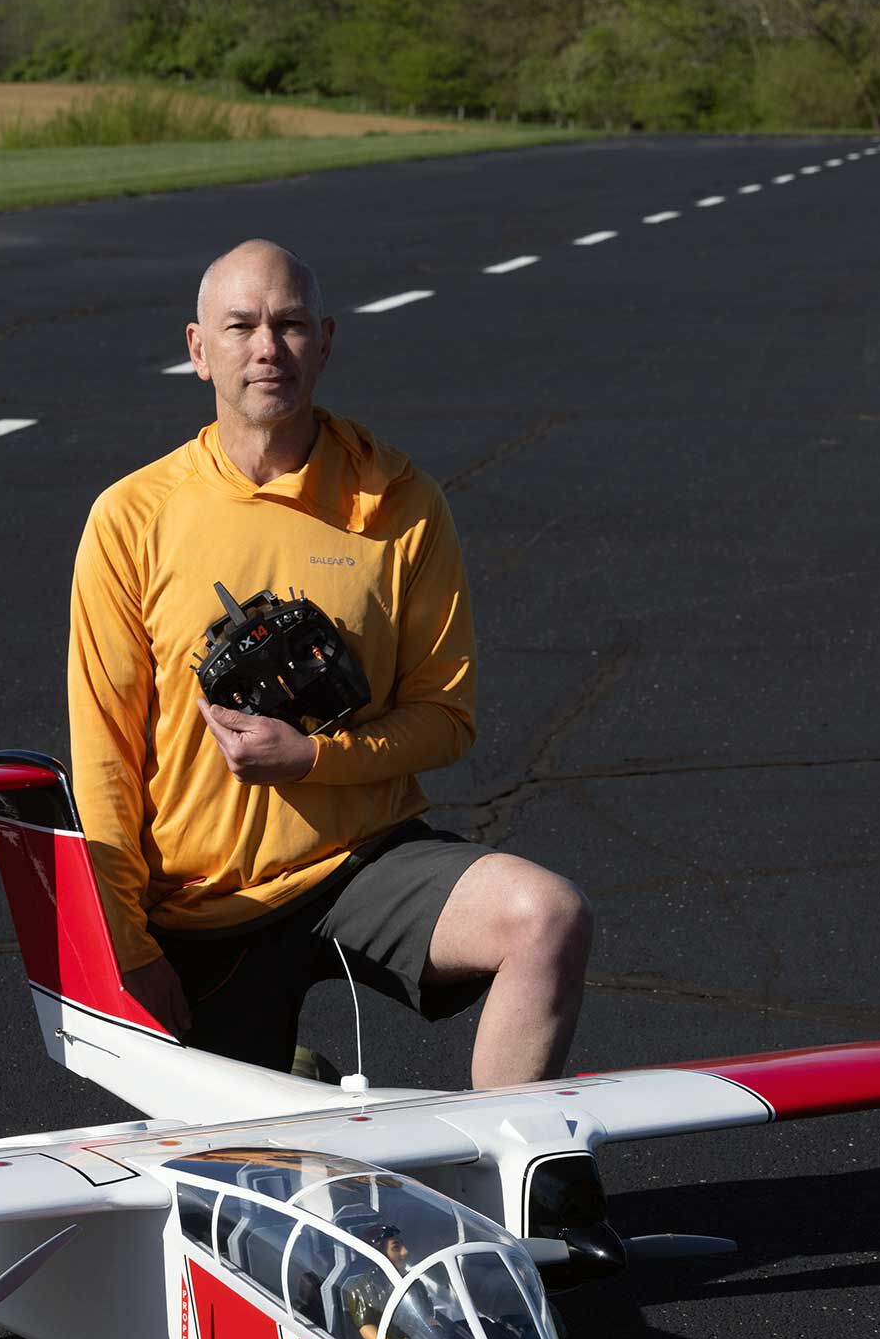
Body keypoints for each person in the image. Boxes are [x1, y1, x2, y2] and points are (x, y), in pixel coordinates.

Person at [67, 239, 592, 1089]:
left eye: (290, 325)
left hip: (362, 861)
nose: (267, 349)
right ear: (198, 350)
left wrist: (314, 758)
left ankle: (518, 1184)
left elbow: (446, 717)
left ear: (327, 342)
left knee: (546, 916)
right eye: (240, 327)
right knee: (239, 1193)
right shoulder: (133, 517)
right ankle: (292, 1078)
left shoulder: (398, 499)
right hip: (205, 902)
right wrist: (125, 947)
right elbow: (104, 756)